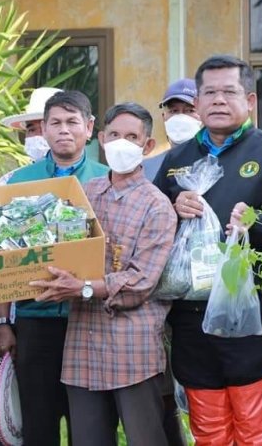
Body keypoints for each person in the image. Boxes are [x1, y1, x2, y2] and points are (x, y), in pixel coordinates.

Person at [154, 55, 262, 445]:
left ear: (250, 100)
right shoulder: (176, 159)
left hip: (251, 308)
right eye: (210, 93)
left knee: (255, 418)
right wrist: (173, 209)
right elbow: (152, 229)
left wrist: (255, 223)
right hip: (189, 311)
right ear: (198, 101)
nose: (218, 100)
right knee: (206, 418)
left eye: (229, 92)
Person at [31, 102, 176, 445]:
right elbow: (63, 247)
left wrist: (81, 288)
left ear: (148, 146)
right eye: (114, 135)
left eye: (131, 136)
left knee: (146, 438)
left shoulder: (157, 206)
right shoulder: (88, 192)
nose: (121, 143)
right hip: (83, 341)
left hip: (133, 345)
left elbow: (141, 282)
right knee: (88, 438)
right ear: (101, 139)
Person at [0, 90, 109, 446]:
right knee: (38, 425)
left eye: (72, 122)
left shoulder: (108, 179)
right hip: (34, 319)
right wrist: (1, 323)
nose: (63, 130)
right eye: (55, 123)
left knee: (88, 426)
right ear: (42, 129)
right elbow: (0, 257)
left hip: (90, 319)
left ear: (88, 128)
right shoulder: (19, 182)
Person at [0, 87, 61, 185]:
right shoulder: (10, 181)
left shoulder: (89, 179)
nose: (38, 135)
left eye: (46, 128)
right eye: (32, 129)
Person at [142, 78, 201, 181]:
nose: (181, 117)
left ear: (203, 115)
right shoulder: (146, 168)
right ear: (164, 117)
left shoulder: (214, 164)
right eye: (174, 111)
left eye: (190, 110)